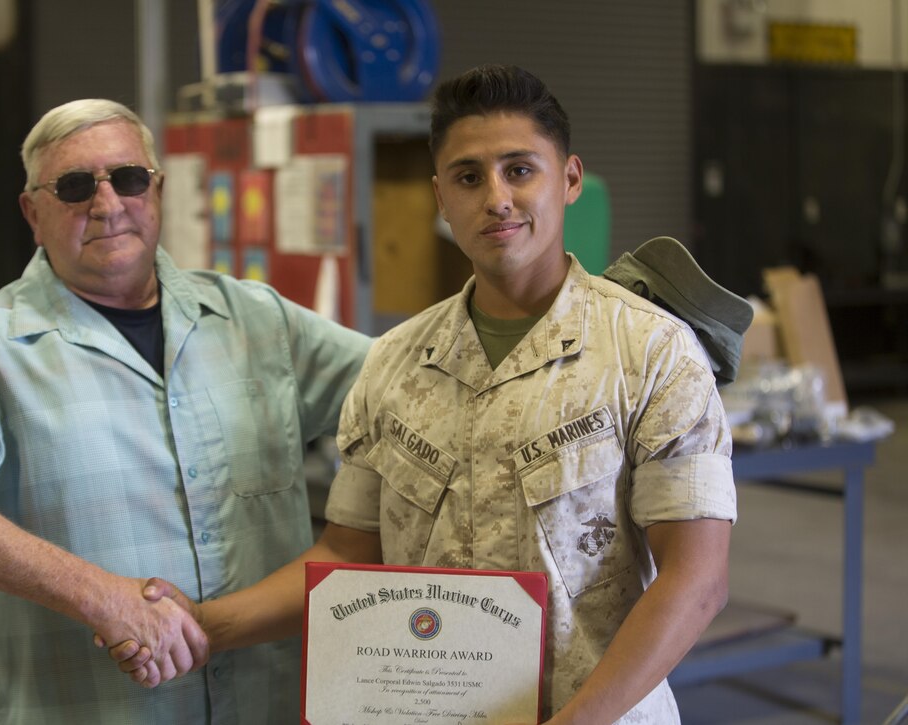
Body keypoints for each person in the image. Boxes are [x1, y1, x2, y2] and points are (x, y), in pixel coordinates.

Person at [111, 64, 738, 724]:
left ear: (570, 179)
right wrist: (201, 624)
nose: (496, 197)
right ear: (441, 197)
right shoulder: (395, 363)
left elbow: (696, 580)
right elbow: (345, 556)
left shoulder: (651, 353)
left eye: (520, 169)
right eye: (469, 177)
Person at [0, 98, 371, 724]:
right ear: (33, 212)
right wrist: (103, 598)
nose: (108, 206)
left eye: (129, 179)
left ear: (157, 189)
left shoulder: (259, 322)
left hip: (265, 705)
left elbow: (407, 390)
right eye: (75, 187)